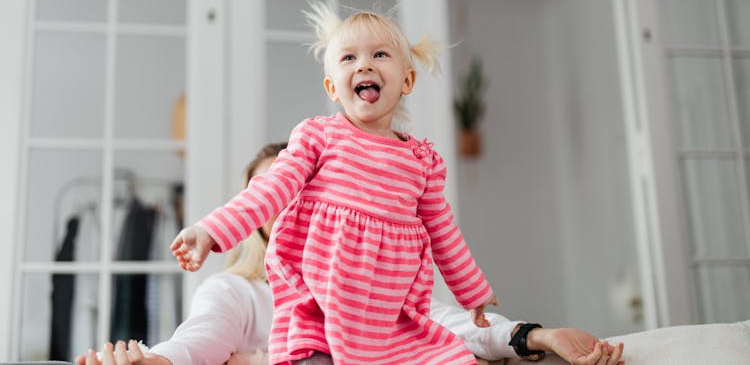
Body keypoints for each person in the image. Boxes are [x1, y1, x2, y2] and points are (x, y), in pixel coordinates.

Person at [170, 3, 620, 365]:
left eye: (379, 54)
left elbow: (443, 232)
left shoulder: (420, 160)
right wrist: (211, 231)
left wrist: (473, 292)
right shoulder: (318, 137)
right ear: (332, 86)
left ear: (406, 80)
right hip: (323, 307)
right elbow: (269, 192)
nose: (364, 64)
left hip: (390, 313)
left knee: (446, 353)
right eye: (349, 58)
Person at [78, 142, 623, 365]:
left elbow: (449, 322)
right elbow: (199, 341)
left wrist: (536, 336)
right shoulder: (236, 292)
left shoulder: (373, 284)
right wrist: (156, 360)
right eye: (266, 197)